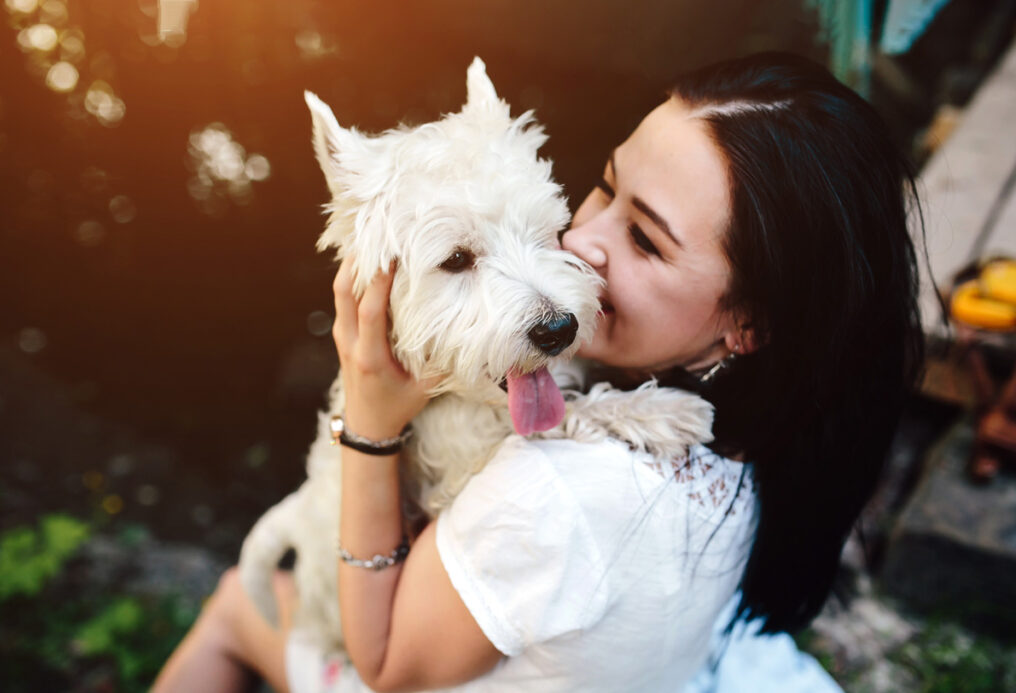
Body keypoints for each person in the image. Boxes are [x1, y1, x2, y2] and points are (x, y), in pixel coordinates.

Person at [153, 51, 923, 693]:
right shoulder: (753, 438)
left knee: (233, 605)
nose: (580, 243)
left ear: (750, 321)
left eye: (647, 241)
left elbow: (383, 666)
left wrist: (369, 421)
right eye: (604, 187)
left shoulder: (553, 494)